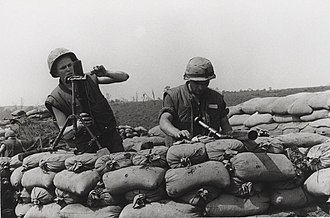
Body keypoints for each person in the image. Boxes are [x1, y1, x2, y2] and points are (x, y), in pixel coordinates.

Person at [45, 48, 129, 153]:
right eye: (63, 68)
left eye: (70, 65)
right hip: (87, 147)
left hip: (111, 139)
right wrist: (78, 125)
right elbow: (64, 133)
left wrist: (106, 72)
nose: (68, 69)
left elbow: (124, 77)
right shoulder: (56, 98)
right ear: (56, 73)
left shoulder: (89, 79)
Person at [159, 57, 232, 146]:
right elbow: (164, 121)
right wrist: (177, 132)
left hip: (210, 148)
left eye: (205, 83)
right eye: (197, 84)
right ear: (189, 79)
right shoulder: (174, 96)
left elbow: (225, 125)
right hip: (181, 148)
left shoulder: (217, 98)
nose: (201, 87)